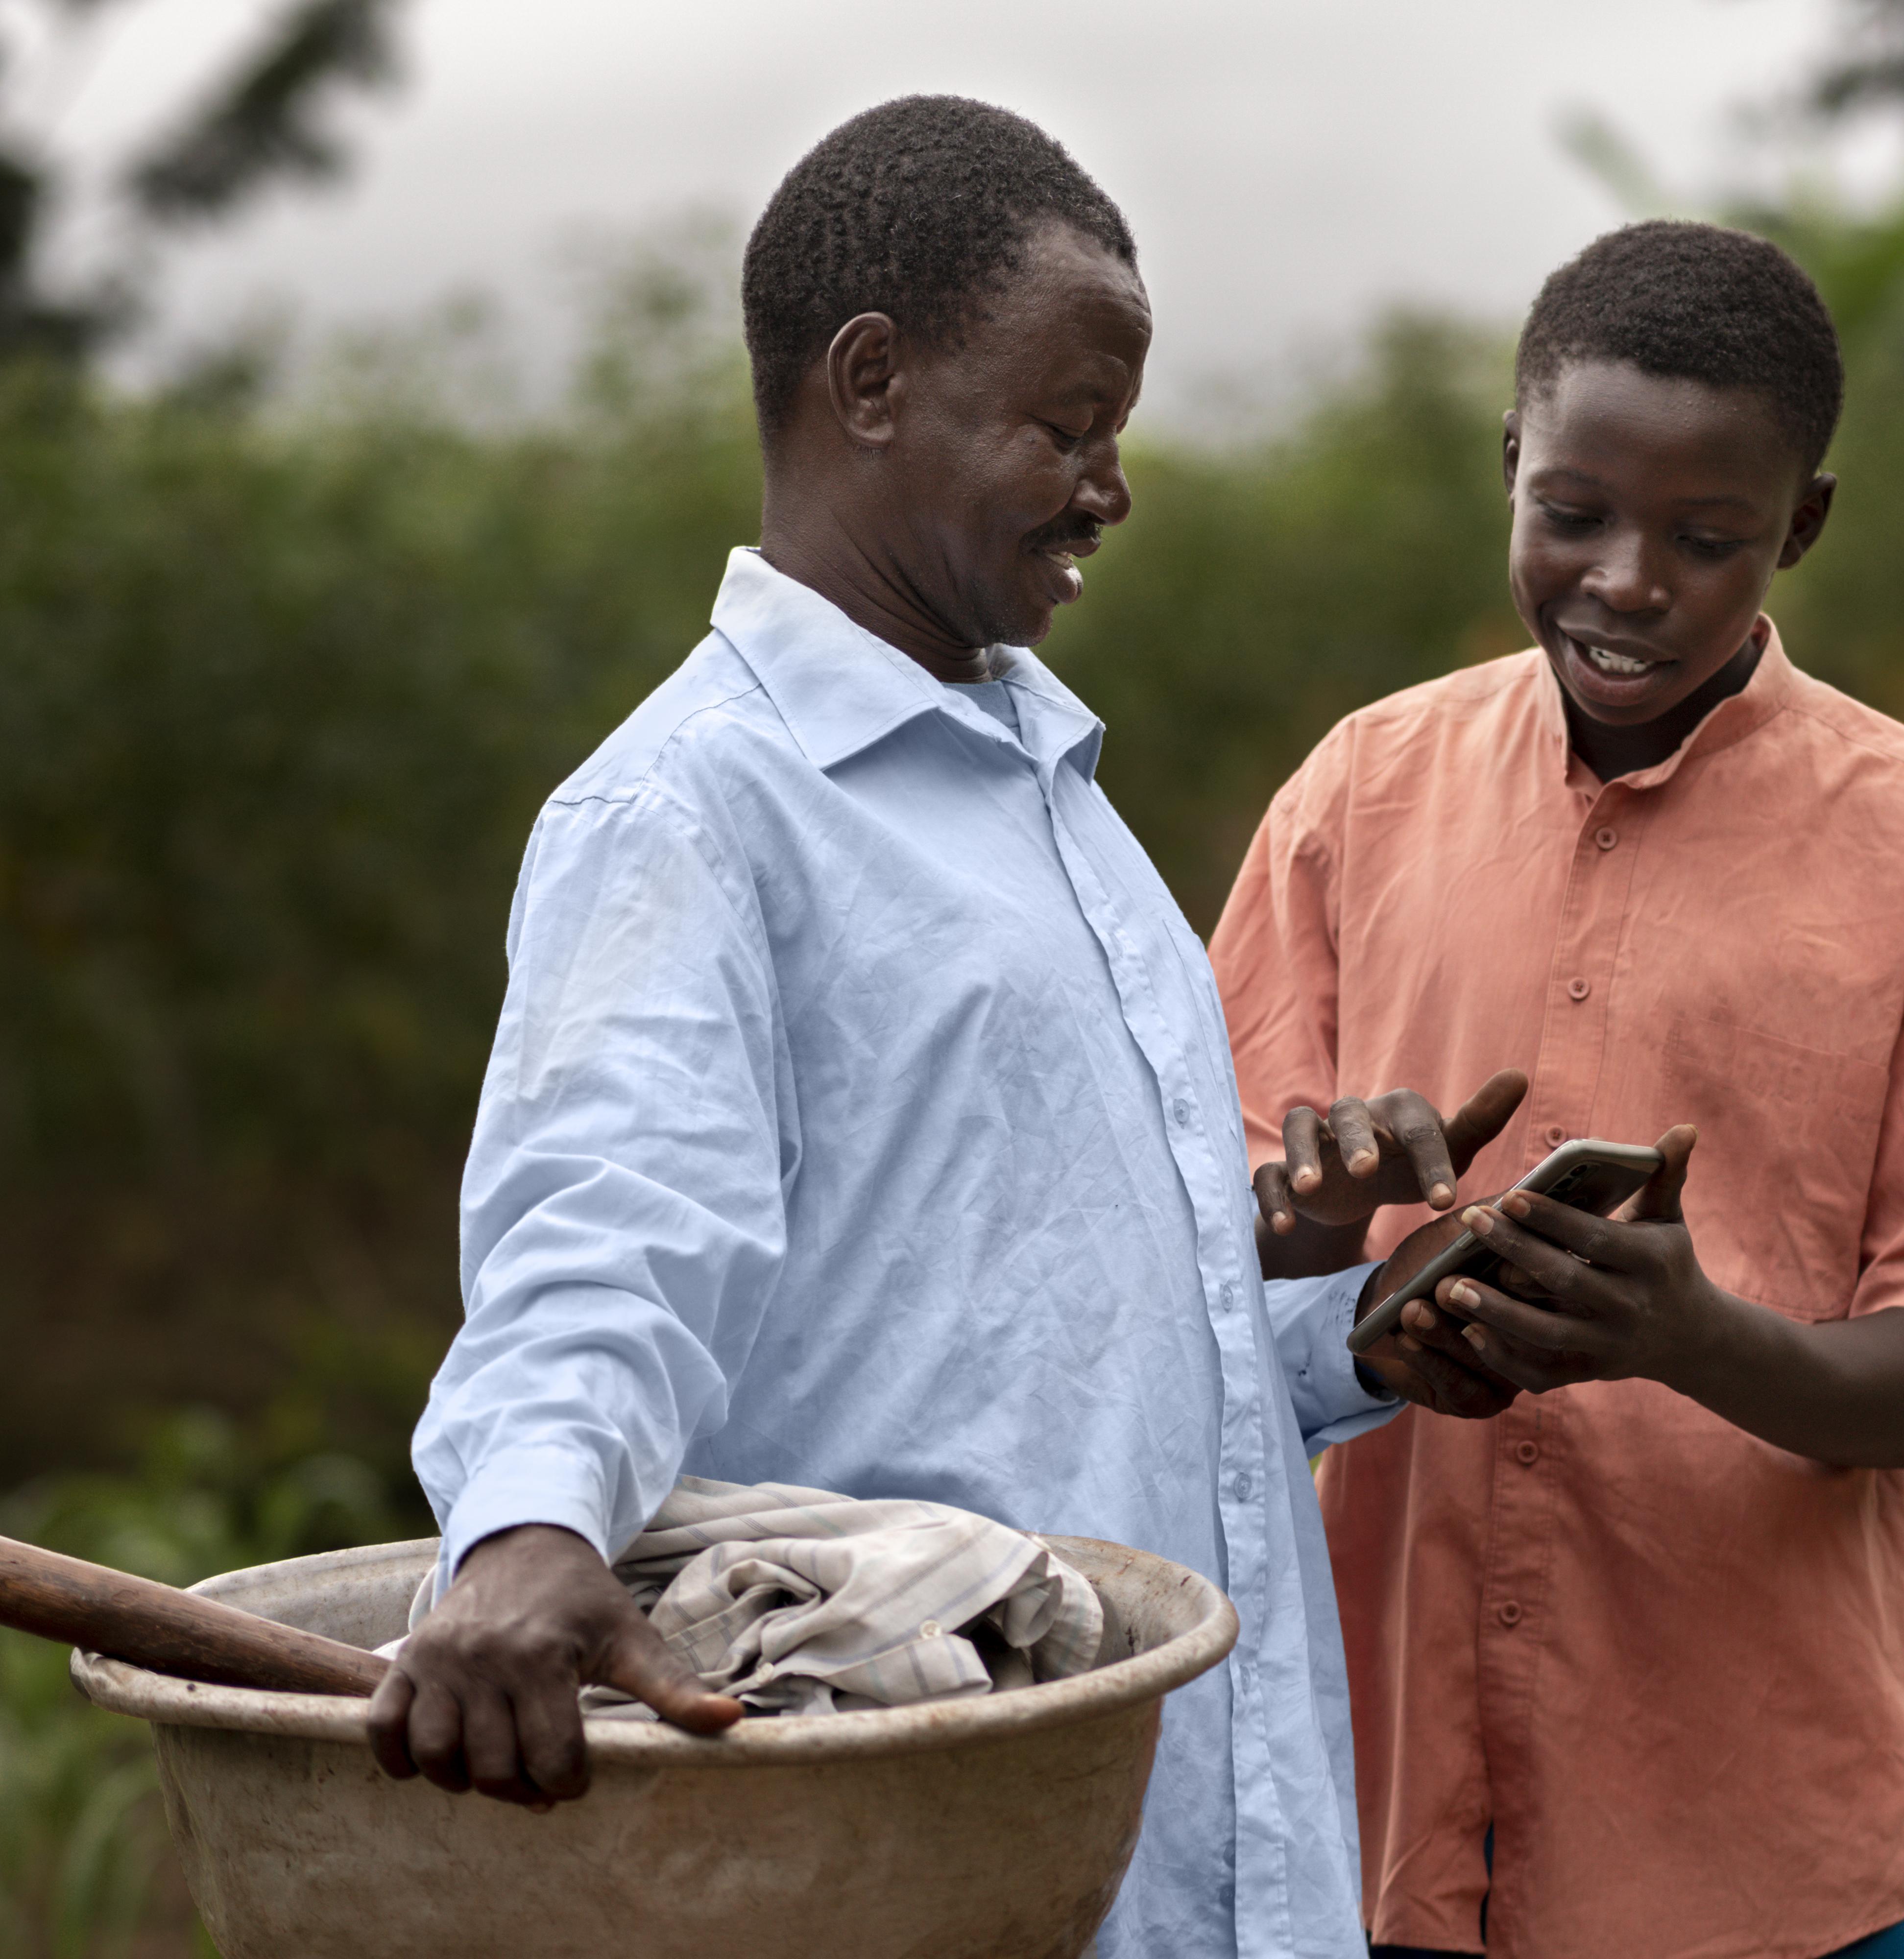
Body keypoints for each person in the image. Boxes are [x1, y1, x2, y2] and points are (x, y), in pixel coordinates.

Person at [361, 96, 1518, 1959]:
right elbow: (606, 1235)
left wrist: (1346, 1328)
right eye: (1066, 427)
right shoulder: (697, 815)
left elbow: (1053, 1322)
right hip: (925, 1846)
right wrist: (525, 1531)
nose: (1110, 487)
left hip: (1202, 1844)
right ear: (874, 380)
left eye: (1116, 435)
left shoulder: (1046, 787)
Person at [1212, 221, 1904, 1959]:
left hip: (1767, 1852)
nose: (1628, 582)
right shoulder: (1357, 797)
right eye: (1574, 515)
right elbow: (1216, 1251)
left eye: (1709, 541)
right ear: (1511, 471)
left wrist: (1683, 1332)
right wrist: (1314, 1221)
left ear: (1803, 528)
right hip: (1380, 1827)